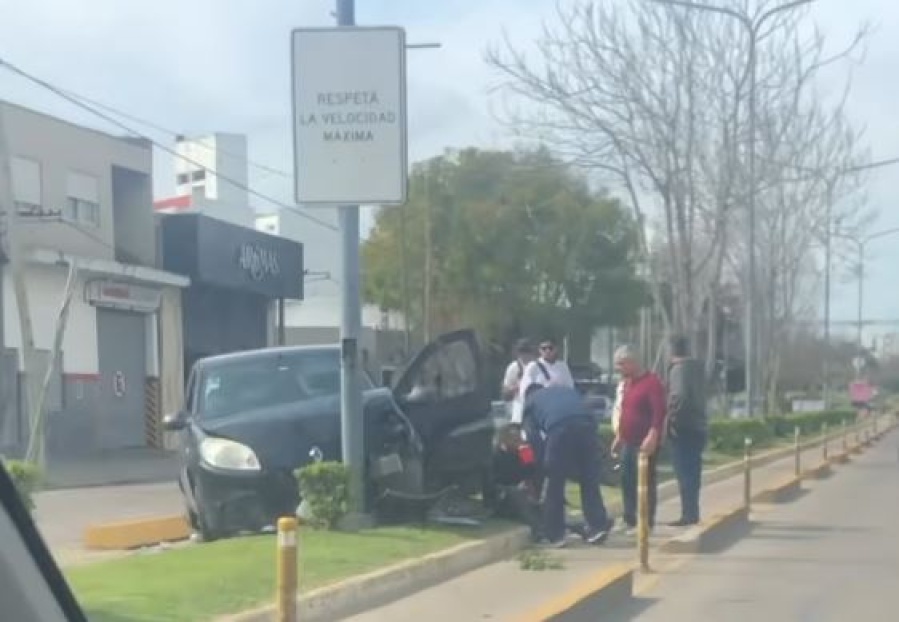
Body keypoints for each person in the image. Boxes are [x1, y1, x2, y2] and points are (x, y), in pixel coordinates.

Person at [524, 384, 614, 547]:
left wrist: (539, 466)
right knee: (589, 480)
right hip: (587, 427)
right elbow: (589, 414)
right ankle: (597, 526)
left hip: (559, 430)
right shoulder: (565, 390)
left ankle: (556, 534)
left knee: (555, 483)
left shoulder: (530, 402)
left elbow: (533, 439)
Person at [611, 345, 666, 535]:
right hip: (627, 441)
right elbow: (625, 410)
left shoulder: (652, 383)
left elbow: (659, 412)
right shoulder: (628, 383)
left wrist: (653, 434)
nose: (618, 368)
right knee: (627, 479)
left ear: (633, 363)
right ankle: (629, 518)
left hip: (645, 443)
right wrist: (619, 436)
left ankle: (646, 522)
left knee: (645, 482)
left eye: (621, 364)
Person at [666, 336, 708, 527]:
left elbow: (679, 396)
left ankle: (688, 513)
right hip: (699, 425)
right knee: (694, 471)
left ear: (672, 351)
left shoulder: (679, 370)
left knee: (684, 472)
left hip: (684, 427)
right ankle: (693, 510)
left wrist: (671, 419)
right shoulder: (698, 369)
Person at [501, 339, 537, 425]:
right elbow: (505, 394)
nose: (525, 355)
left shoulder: (539, 367)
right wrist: (517, 387)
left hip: (537, 406)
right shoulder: (513, 367)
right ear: (518, 353)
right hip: (519, 406)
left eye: (527, 351)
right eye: (522, 352)